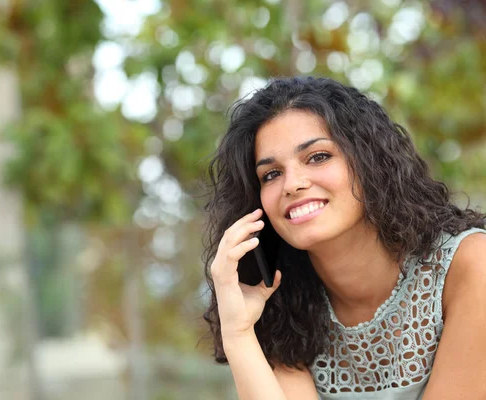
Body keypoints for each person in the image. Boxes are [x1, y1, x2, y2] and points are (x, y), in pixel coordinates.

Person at [202, 76, 486, 399]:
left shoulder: (472, 266)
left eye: (318, 156)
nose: (292, 184)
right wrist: (239, 334)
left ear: (369, 161)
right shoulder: (281, 303)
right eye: (271, 174)